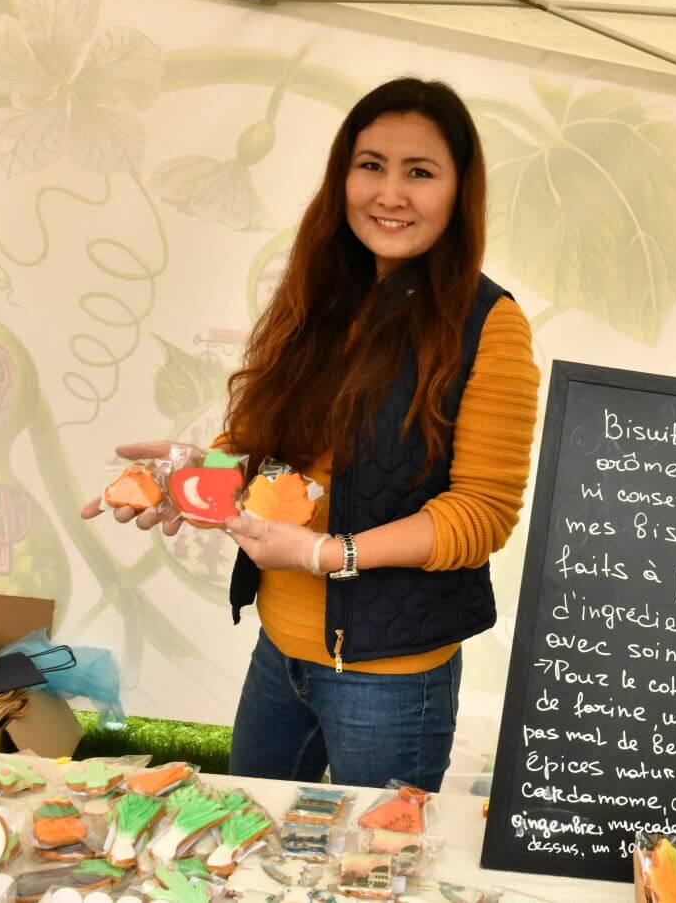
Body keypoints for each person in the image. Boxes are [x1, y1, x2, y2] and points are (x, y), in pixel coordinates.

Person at [83, 78, 540, 790]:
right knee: (248, 849)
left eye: (419, 172)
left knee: (370, 875)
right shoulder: (322, 293)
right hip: (282, 652)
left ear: (458, 191)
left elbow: (481, 512)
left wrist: (330, 552)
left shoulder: (490, 324)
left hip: (389, 682)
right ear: (343, 176)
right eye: (371, 165)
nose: (390, 193)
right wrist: (194, 476)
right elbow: (276, 445)